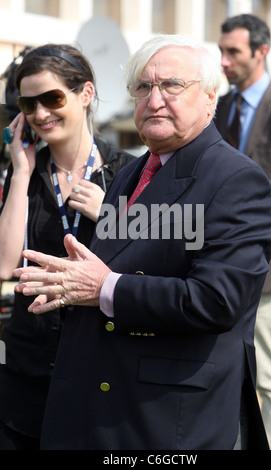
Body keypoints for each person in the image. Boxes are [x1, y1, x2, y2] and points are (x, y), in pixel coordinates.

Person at [14, 34, 271, 450]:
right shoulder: (132, 173)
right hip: (93, 408)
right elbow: (122, 262)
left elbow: (216, 299)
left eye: (172, 85)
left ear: (210, 99)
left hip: (162, 421)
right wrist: (68, 284)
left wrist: (103, 287)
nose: (154, 100)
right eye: (143, 87)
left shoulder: (235, 179)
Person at [0, 43, 134, 450]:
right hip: (27, 366)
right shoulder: (22, 173)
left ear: (86, 94)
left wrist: (111, 215)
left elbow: (151, 261)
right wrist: (21, 172)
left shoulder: (128, 172)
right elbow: (5, 264)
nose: (41, 114)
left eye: (52, 98)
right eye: (29, 102)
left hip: (101, 364)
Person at [214, 14, 271, 450]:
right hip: (216, 270)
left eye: (234, 52)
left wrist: (266, 228)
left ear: (261, 52)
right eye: (221, 50)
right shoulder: (220, 108)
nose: (224, 60)